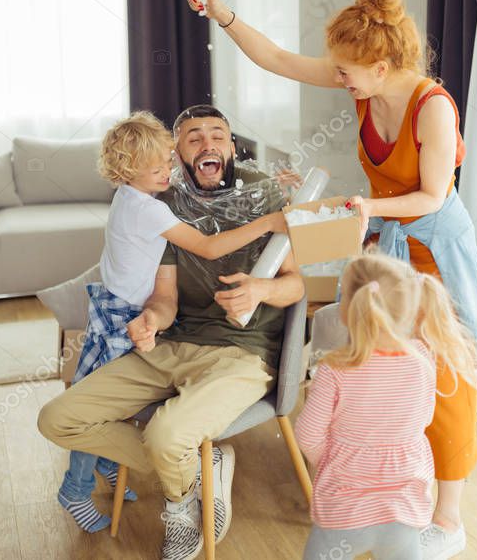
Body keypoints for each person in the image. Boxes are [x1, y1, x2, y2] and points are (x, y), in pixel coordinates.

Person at [187, 0, 477, 559]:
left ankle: (449, 519)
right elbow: (279, 60)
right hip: (385, 241)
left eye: (346, 72)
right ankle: (385, 497)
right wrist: (221, 12)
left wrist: (365, 206)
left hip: (436, 248)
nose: (337, 78)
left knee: (445, 380)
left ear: (381, 68)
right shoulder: (360, 77)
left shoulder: (433, 108)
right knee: (386, 369)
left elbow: (433, 196)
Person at [38, 105, 304, 560]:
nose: (207, 144)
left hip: (242, 354)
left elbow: (297, 284)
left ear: (232, 146)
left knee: (166, 437)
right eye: (193, 137)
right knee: (57, 418)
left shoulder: (266, 196)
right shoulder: (166, 206)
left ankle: (181, 506)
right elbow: (164, 298)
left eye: (217, 134)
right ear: (177, 154)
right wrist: (151, 320)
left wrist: (261, 288)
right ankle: (199, 469)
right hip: (172, 346)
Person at [295, 252, 477, 560]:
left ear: (348, 310)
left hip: (344, 514)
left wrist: (336, 458)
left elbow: (307, 434)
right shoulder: (423, 359)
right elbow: (421, 420)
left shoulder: (335, 370)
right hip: (404, 512)